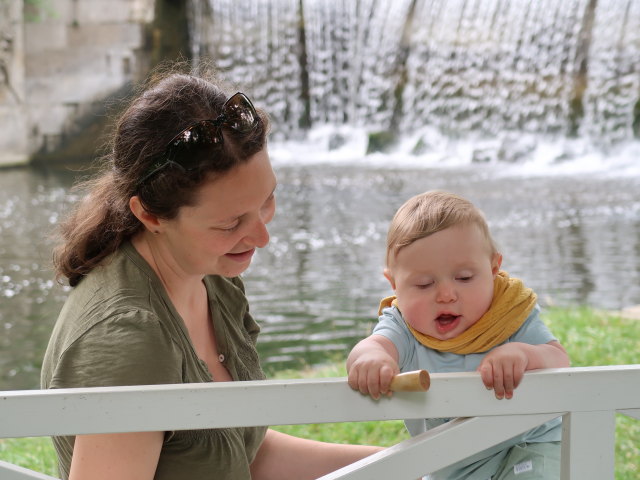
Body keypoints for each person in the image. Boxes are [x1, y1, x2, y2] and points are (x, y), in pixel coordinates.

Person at [41, 65, 381, 480]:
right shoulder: (129, 337)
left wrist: (404, 465)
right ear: (149, 214)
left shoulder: (209, 276)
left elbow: (242, 453)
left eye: (267, 201)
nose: (260, 237)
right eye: (230, 223)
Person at [346, 190, 570, 480]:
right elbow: (374, 345)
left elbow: (559, 360)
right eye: (424, 284)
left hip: (528, 443)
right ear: (394, 284)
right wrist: (371, 357)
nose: (447, 295)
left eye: (464, 278)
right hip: (451, 460)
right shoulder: (403, 325)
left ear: (493, 269)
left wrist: (525, 354)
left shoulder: (509, 312)